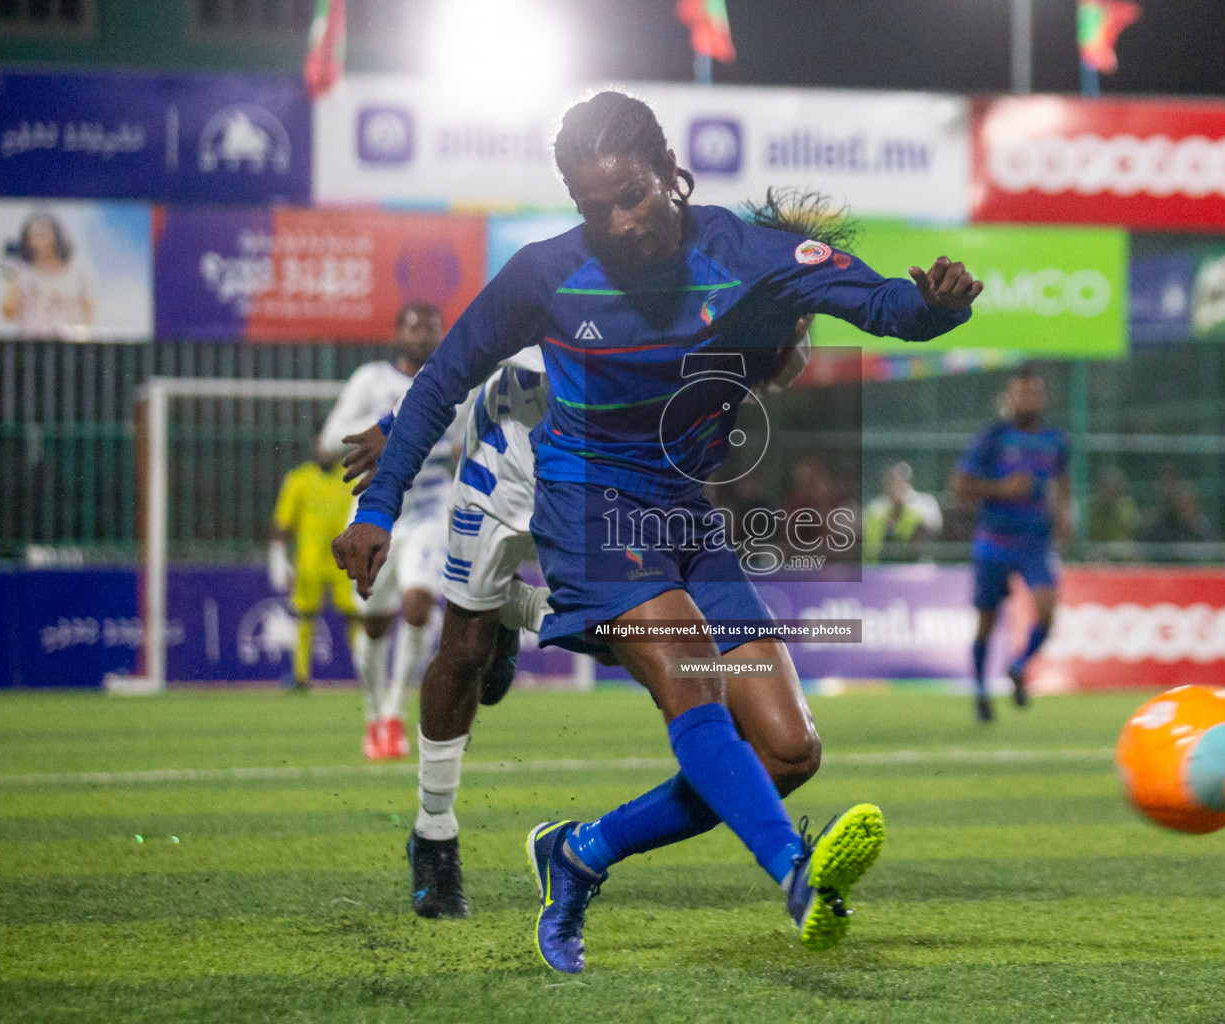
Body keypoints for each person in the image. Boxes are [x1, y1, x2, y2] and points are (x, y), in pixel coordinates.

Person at [332, 91, 980, 972]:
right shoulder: (545, 274)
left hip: (686, 514)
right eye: (592, 206)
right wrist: (376, 510)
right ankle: (796, 877)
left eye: (631, 195)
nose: (616, 222)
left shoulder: (751, 258)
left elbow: (886, 307)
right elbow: (442, 378)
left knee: (788, 751)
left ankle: (580, 851)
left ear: (673, 176)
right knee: (689, 685)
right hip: (589, 500)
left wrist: (937, 306)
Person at [338, 191, 834, 923]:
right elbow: (486, 348)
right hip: (514, 459)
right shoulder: (629, 285)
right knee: (467, 646)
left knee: (654, 654)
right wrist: (395, 424)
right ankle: (434, 833)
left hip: (631, 492)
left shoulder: (750, 316)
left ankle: (582, 831)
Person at [320, 302, 469, 760]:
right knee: (375, 622)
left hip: (428, 512)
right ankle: (371, 712)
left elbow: (462, 447)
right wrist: (384, 425)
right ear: (397, 333)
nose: (424, 336)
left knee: (419, 604)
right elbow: (327, 442)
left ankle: (393, 715)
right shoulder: (372, 380)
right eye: (414, 327)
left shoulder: (452, 385)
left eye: (432, 329)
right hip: (377, 514)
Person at [948, 364, 1070, 723]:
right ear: (1009, 398)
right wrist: (1002, 489)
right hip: (993, 542)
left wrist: (1063, 513)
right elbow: (960, 486)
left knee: (1047, 612)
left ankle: (1018, 665)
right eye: (1020, 393)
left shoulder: (1056, 441)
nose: (1026, 399)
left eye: (1033, 392)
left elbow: (1062, 481)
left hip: (1035, 541)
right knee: (986, 621)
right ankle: (982, 693)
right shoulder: (993, 438)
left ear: (1042, 398)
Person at [269, 438, 360, 692]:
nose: (324, 451)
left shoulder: (351, 479)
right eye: (320, 444)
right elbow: (283, 522)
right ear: (313, 448)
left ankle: (365, 673)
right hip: (309, 561)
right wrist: (277, 555)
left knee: (354, 615)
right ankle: (301, 677)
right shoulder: (298, 479)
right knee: (305, 615)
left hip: (346, 561)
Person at [0, 211, 96, 340]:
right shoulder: (22, 273)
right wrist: (12, 275)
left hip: (70, 346)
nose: (39, 238)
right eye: (33, 234)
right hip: (32, 346)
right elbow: (8, 313)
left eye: (43, 232)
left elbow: (89, 314)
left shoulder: (78, 271)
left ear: (56, 236)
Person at [863, 461, 942, 563]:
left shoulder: (923, 504)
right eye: (894, 483)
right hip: (877, 567)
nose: (898, 487)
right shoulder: (875, 509)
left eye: (904, 482)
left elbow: (935, 526)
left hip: (912, 566)